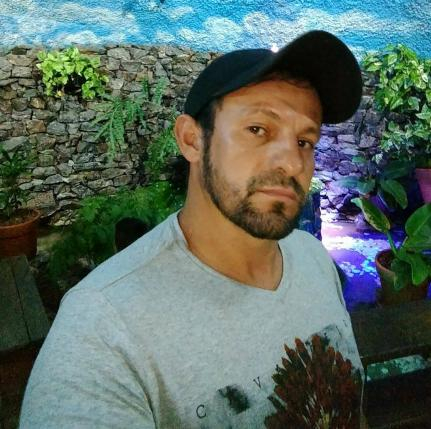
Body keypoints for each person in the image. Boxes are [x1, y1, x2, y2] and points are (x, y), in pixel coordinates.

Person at [20, 30, 366, 428]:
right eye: (258, 129)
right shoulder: (102, 329)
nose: (291, 162)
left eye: (305, 141)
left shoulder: (313, 259)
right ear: (191, 140)